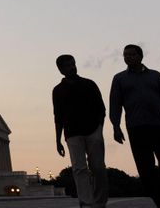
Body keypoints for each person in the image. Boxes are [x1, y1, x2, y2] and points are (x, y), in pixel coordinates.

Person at [110, 44, 160, 208]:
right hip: (136, 128)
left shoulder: (155, 76)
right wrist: (116, 127)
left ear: (140, 56)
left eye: (132, 54)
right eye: (125, 55)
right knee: (145, 168)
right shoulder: (119, 79)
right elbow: (115, 104)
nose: (128, 57)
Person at [52, 54, 108, 208]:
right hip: (72, 133)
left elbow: (101, 109)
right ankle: (86, 201)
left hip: (93, 130)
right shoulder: (57, 90)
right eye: (68, 65)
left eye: (73, 64)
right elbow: (58, 116)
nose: (72, 67)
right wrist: (58, 140)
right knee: (79, 169)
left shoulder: (89, 84)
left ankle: (100, 200)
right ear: (61, 70)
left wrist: (99, 129)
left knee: (98, 167)